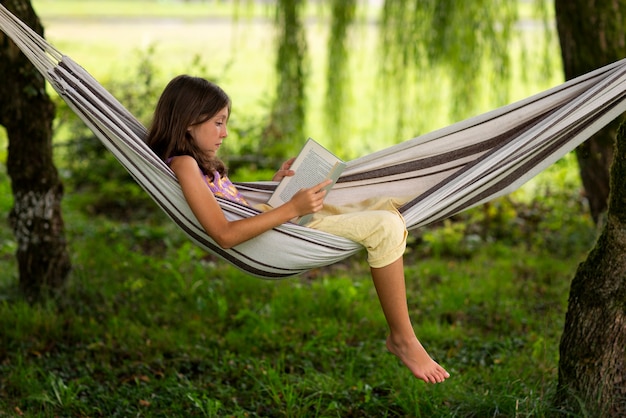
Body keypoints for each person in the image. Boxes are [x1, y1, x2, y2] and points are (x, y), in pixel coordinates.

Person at [146, 75, 450, 384]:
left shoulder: (197, 164)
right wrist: (291, 209)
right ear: (188, 122)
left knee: (382, 202)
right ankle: (402, 338)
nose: (225, 133)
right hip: (271, 238)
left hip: (276, 223)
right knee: (384, 226)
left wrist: (280, 188)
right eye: (218, 123)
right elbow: (224, 233)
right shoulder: (184, 164)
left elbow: (233, 203)